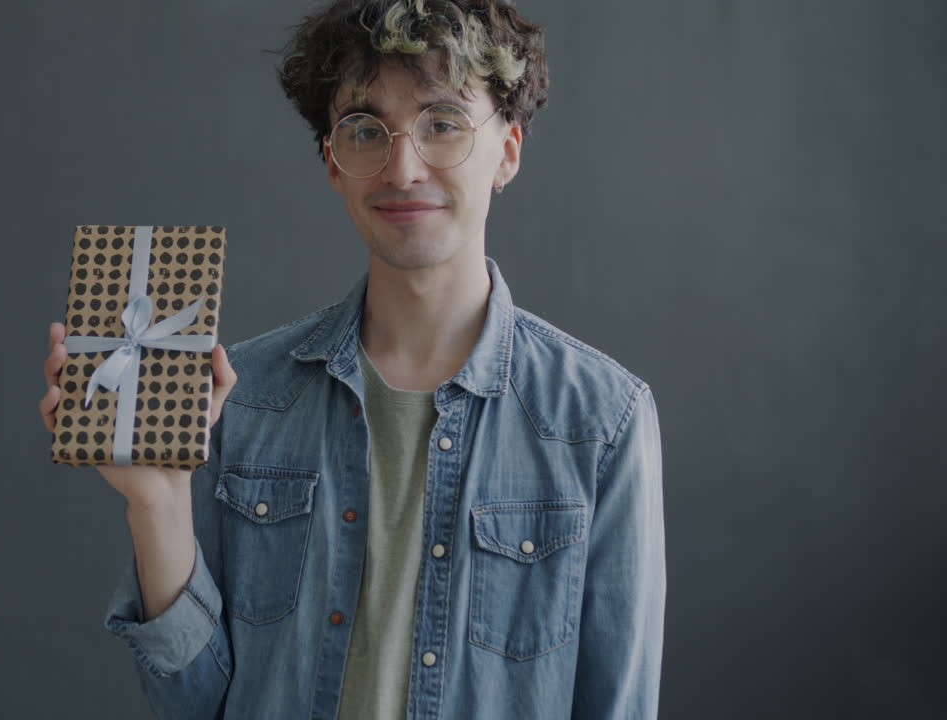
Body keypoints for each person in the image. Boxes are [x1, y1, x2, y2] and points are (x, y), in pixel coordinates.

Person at [40, 1, 665, 717]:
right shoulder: (236, 398)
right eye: (366, 130)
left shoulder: (602, 420)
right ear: (333, 164)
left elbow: (618, 703)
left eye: (443, 123)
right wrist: (157, 501)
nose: (403, 168)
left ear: (508, 152)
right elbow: (193, 705)